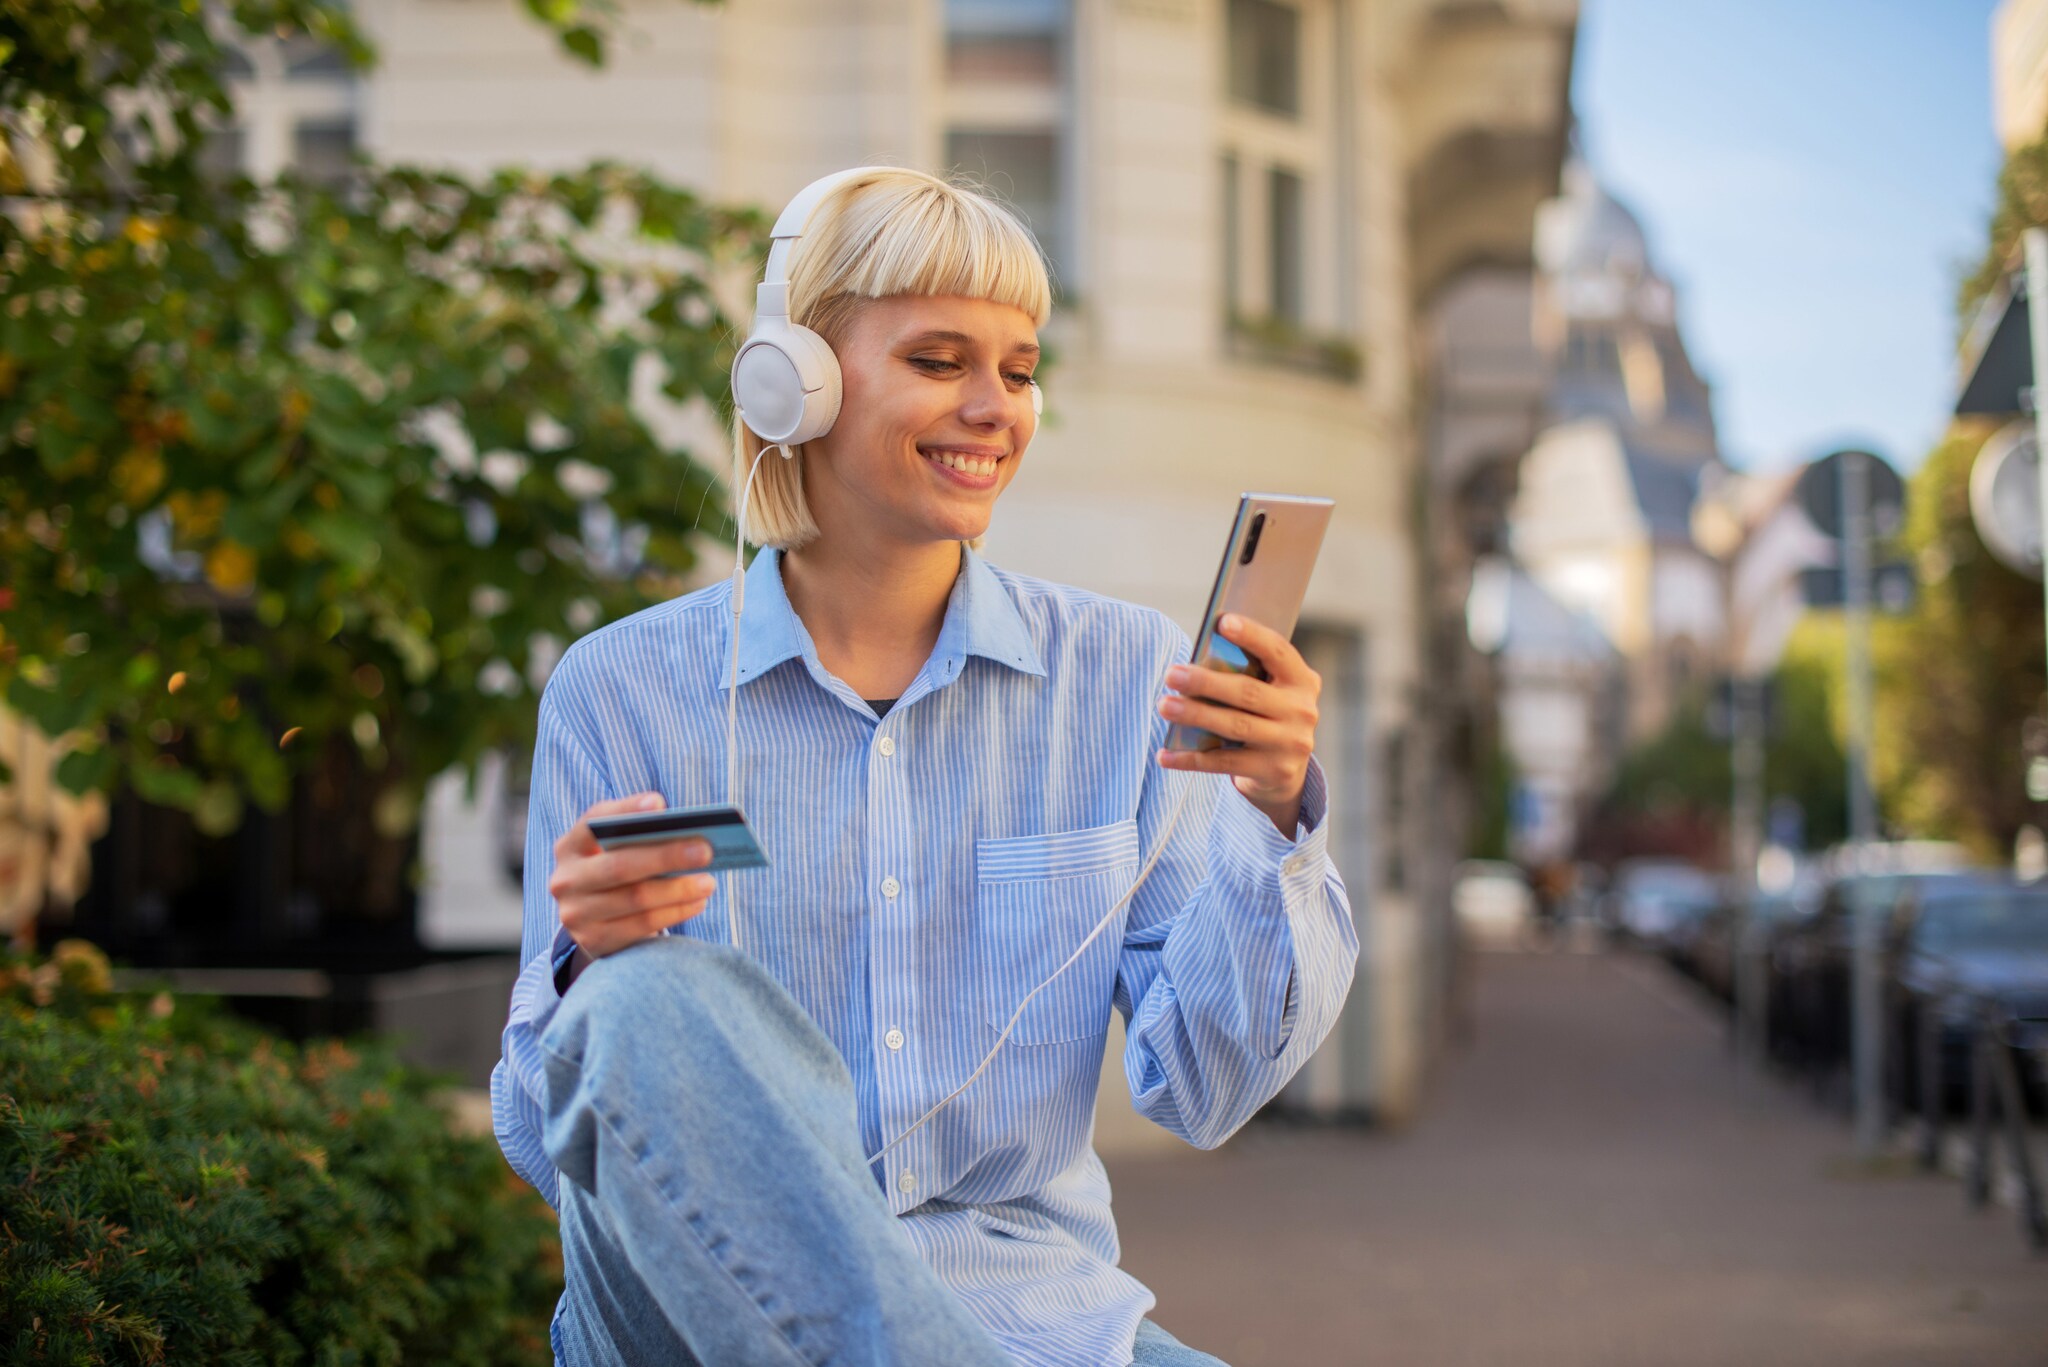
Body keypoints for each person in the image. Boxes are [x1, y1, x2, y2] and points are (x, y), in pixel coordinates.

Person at [490, 167, 1358, 1367]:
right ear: (795, 384)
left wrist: (1273, 822)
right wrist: (589, 966)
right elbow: (549, 1142)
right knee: (644, 1002)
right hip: (691, 1319)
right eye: (941, 361)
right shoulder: (622, 687)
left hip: (1028, 1320)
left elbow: (1200, 1088)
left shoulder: (1119, 679)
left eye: (1018, 368)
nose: (994, 407)